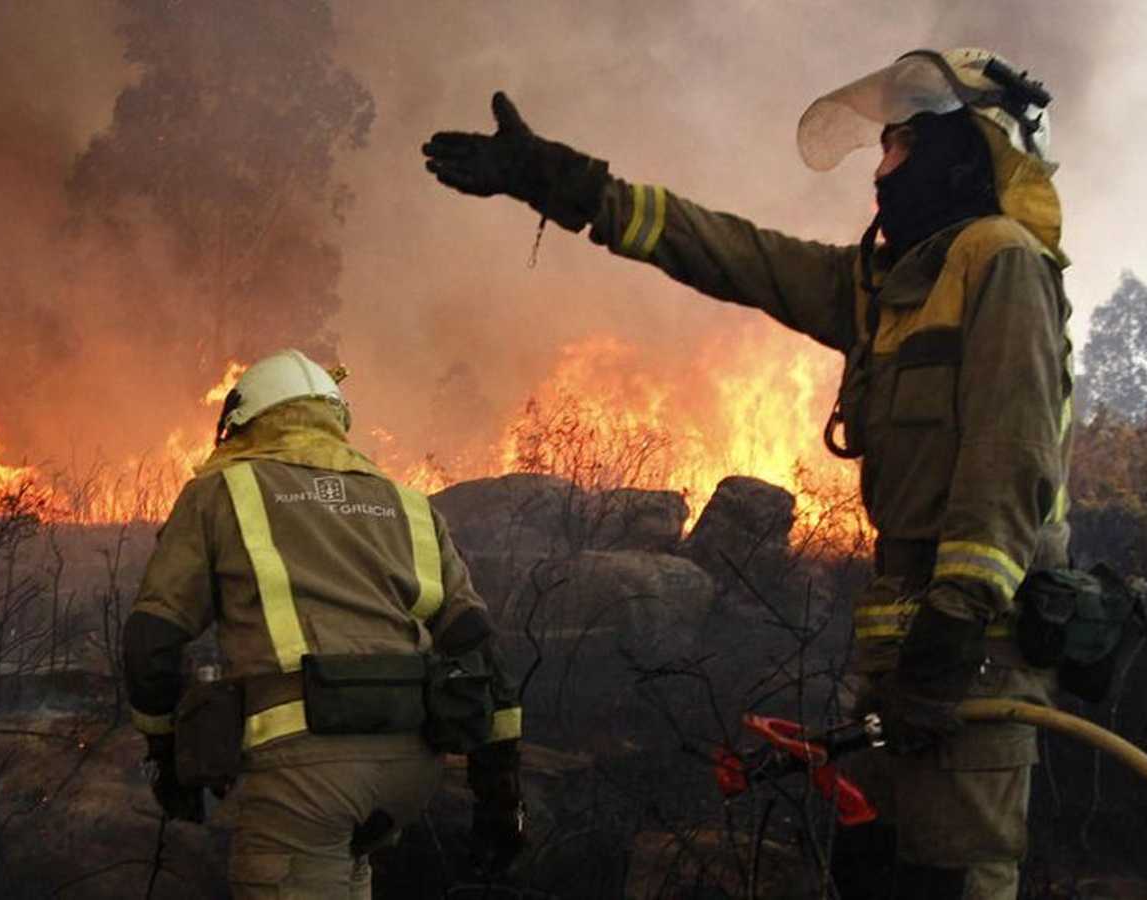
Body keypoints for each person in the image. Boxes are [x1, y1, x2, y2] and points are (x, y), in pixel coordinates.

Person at [423, 48, 1071, 899]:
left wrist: (956, 624)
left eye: (900, 146)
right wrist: (568, 186)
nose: (881, 171)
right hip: (904, 661)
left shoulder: (1001, 261)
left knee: (953, 880)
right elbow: (732, 252)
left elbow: (1009, 455)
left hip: (974, 658)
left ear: (963, 152)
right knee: (873, 872)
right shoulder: (886, 286)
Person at [122, 348, 526, 899]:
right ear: (337, 421)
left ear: (243, 424)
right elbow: (481, 651)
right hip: (411, 769)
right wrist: (501, 800)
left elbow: (152, 642)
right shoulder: (408, 505)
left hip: (303, 776)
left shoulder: (223, 492)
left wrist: (168, 759)